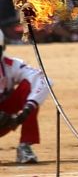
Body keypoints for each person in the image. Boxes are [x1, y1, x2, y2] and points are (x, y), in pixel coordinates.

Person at [0, 31, 48, 163]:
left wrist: (27, 109)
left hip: (7, 120)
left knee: (30, 86)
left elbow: (42, 80)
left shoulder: (11, 65)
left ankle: (25, 146)